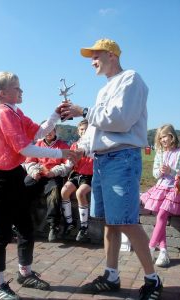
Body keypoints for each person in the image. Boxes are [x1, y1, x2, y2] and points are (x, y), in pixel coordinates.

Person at [60, 38, 163, 299]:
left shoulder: (131, 79)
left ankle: (153, 280)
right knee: (110, 222)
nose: (92, 62)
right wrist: (78, 150)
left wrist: (83, 110)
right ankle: (111, 275)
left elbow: (120, 120)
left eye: (95, 56)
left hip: (122, 159)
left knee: (126, 221)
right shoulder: (104, 90)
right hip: (104, 161)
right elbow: (96, 130)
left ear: (111, 55)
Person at [0, 71, 77, 300]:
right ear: (2, 93)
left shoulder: (16, 112)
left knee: (25, 227)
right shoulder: (3, 113)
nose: (21, 91)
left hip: (13, 175)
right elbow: (25, 149)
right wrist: (61, 152)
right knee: (0, 233)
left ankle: (24, 273)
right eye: (17, 88)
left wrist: (55, 115)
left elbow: (38, 132)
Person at [141, 124, 180, 267]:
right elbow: (155, 173)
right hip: (160, 188)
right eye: (161, 137)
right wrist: (161, 172)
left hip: (174, 189)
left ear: (172, 136)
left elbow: (179, 174)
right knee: (160, 218)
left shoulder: (179, 152)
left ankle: (150, 248)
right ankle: (163, 252)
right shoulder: (159, 153)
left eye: (165, 136)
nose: (163, 139)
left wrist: (171, 171)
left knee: (161, 215)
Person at [23, 126, 71, 242]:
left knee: (54, 192)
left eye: (51, 130)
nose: (48, 133)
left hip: (53, 176)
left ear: (55, 131)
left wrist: (54, 172)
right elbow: (28, 162)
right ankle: (21, 221)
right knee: (23, 187)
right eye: (45, 131)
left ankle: (53, 225)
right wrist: (34, 171)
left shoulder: (63, 146)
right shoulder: (37, 145)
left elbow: (68, 165)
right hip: (38, 174)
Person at [61, 119, 93, 241]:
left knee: (80, 193)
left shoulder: (93, 145)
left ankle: (84, 227)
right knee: (64, 191)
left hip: (89, 175)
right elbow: (69, 164)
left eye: (86, 129)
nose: (84, 131)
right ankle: (70, 223)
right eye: (81, 129)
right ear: (78, 131)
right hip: (76, 174)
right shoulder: (74, 145)